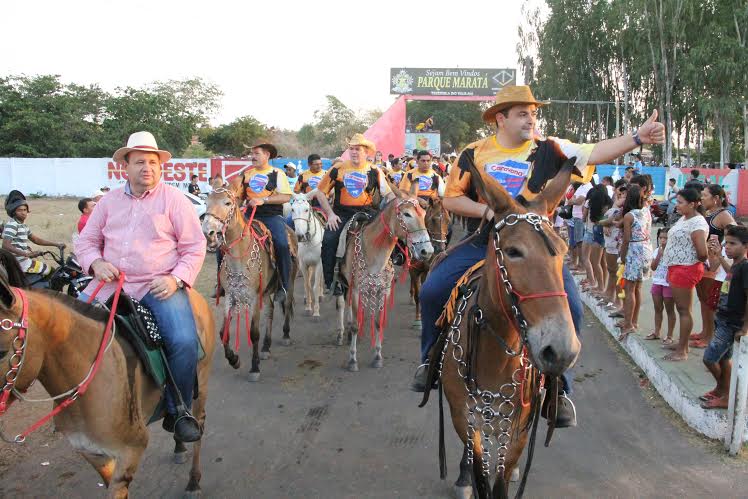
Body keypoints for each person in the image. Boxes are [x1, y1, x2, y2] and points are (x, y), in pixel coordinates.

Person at [413, 84, 666, 429]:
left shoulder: (551, 148)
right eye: (522, 113)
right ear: (500, 118)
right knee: (430, 292)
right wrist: (486, 211)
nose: (531, 119)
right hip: (486, 239)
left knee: (573, 308)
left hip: (537, 247)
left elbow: (595, 152)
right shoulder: (474, 153)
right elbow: (452, 199)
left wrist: (637, 137)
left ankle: (559, 389)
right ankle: (430, 362)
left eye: (533, 113)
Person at [76, 131, 206, 442]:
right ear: (126, 166)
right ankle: (73, 399)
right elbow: (87, 242)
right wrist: (95, 263)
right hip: (109, 284)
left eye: (152, 161)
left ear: (160, 167)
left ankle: (180, 409)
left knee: (185, 341)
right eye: (139, 162)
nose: (146, 167)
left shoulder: (175, 200)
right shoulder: (108, 202)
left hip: (157, 286)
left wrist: (175, 278)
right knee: (69, 331)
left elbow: (194, 247)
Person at [313, 134, 393, 295]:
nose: (354, 152)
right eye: (351, 149)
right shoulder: (337, 169)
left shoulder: (374, 170)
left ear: (366, 152)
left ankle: (391, 267)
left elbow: (389, 194)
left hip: (368, 212)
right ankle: (331, 282)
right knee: (328, 240)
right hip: (341, 214)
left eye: (358, 149)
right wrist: (330, 215)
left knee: (392, 233)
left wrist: (395, 207)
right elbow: (320, 193)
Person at [700, 225, 748, 409]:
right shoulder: (736, 265)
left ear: (745, 246)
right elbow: (731, 272)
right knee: (723, 358)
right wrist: (720, 255)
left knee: (709, 358)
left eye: (732, 244)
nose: (728, 247)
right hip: (722, 316)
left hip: (731, 322)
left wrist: (745, 327)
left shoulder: (745, 267)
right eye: (726, 243)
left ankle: (728, 393)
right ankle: (723, 392)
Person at [660, 188, 709, 362]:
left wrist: (685, 260)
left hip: (685, 269)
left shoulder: (697, 223)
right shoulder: (685, 218)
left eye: (681, 202)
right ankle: (682, 344)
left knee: (683, 310)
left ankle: (682, 350)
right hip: (677, 268)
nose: (677, 205)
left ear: (693, 204)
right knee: (681, 309)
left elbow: (702, 253)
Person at [240, 144, 293, 301]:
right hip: (248, 216)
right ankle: (221, 284)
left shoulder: (277, 173)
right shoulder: (246, 174)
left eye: (256, 153)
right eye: (252, 153)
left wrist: (263, 200)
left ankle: (284, 285)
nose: (253, 156)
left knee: (282, 244)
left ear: (267, 155)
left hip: (271, 216)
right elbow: (240, 196)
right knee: (226, 241)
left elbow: (286, 197)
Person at [693, 185, 736, 348]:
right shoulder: (707, 213)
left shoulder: (723, 214)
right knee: (703, 299)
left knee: (711, 303)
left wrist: (721, 249)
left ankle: (710, 337)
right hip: (703, 262)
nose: (701, 198)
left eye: (704, 195)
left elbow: (735, 233)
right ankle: (705, 331)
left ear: (716, 198)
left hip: (714, 266)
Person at [2, 190, 67, 280]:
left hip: (23, 260)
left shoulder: (23, 226)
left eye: (25, 210)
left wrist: (56, 244)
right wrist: (26, 254)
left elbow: (36, 239)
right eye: (19, 210)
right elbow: (5, 245)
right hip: (18, 262)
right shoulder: (12, 224)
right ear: (14, 212)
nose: (23, 212)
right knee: (50, 271)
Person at [617, 184, 652, 340]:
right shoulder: (646, 212)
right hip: (646, 248)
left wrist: (623, 257)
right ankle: (633, 321)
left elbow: (626, 239)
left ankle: (629, 323)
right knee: (638, 288)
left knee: (629, 288)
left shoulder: (629, 216)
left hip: (634, 249)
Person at [648, 228, 676, 344]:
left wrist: (665, 254)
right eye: (661, 238)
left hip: (668, 284)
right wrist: (659, 255)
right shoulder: (656, 251)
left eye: (666, 238)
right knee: (657, 308)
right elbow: (653, 267)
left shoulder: (674, 251)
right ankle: (656, 332)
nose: (663, 241)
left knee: (670, 309)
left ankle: (670, 335)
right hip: (657, 281)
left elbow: (673, 267)